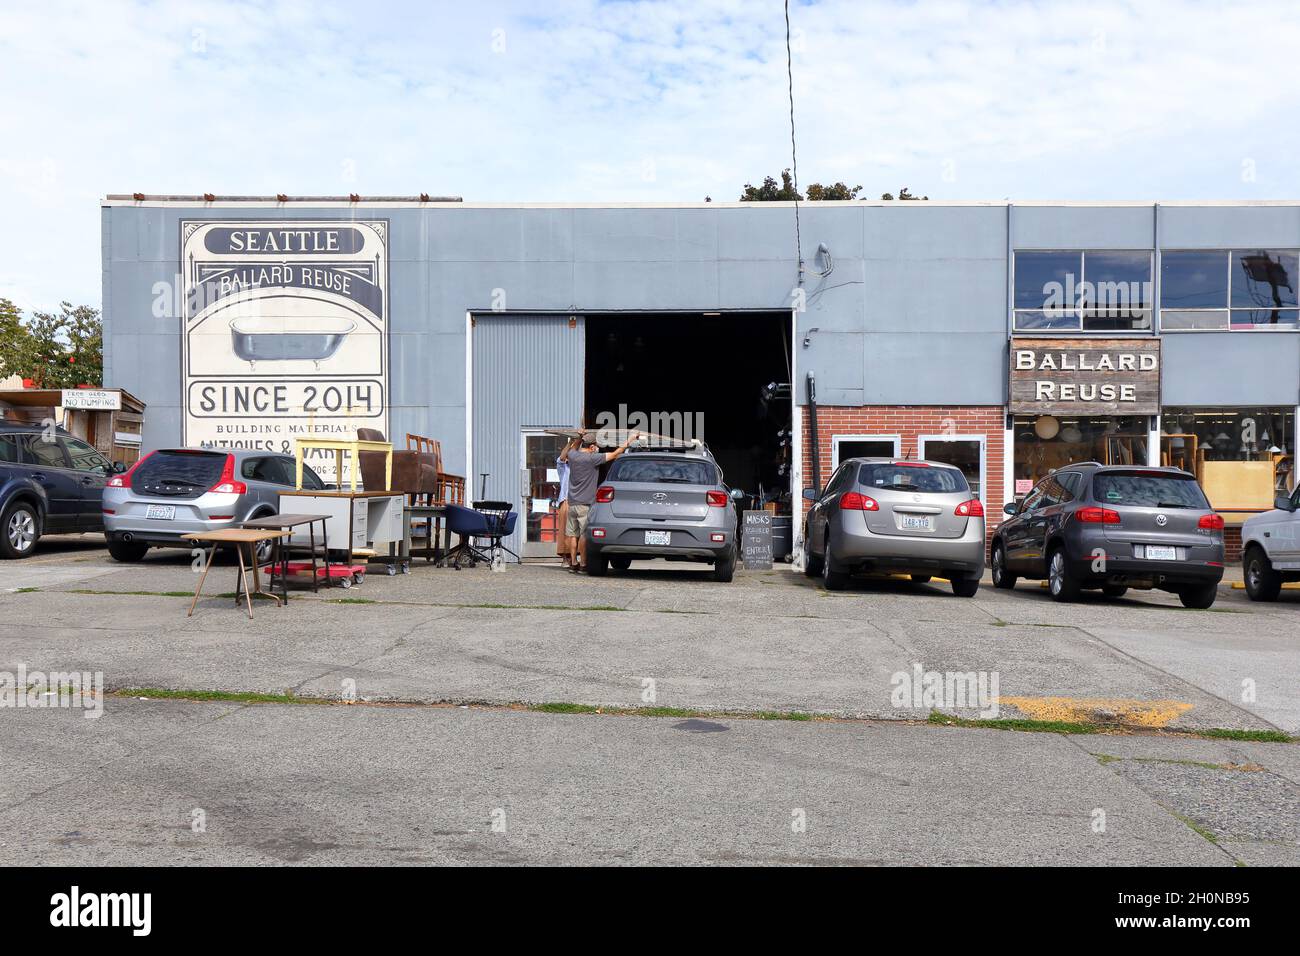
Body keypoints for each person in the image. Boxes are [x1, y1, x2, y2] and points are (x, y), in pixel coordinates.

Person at [561, 429, 639, 573]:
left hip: (572, 503)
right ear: (591, 447)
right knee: (584, 535)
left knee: (572, 535)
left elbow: (568, 451)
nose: (597, 448)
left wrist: (579, 436)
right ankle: (583, 564)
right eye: (596, 446)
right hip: (585, 504)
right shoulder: (592, 459)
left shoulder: (572, 456)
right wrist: (631, 439)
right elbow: (616, 454)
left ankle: (573, 562)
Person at [555, 439, 575, 567]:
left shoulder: (581, 465)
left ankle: (576, 558)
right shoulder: (564, 467)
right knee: (565, 531)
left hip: (579, 500)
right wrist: (571, 443)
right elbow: (561, 458)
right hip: (567, 500)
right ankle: (565, 557)